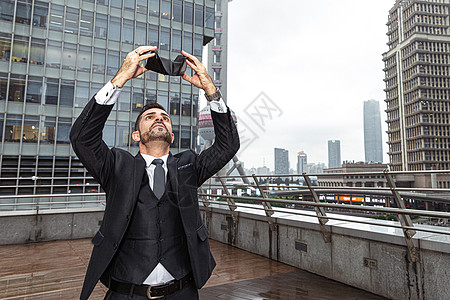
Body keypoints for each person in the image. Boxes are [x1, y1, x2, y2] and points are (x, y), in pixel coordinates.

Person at [70, 46, 239, 300]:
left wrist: (211, 91)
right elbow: (83, 138)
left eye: (164, 117)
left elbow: (228, 145)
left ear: (171, 135)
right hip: (127, 293)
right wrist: (120, 79)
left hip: (182, 291)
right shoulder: (116, 165)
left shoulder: (189, 166)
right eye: (149, 117)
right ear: (137, 135)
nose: (159, 119)